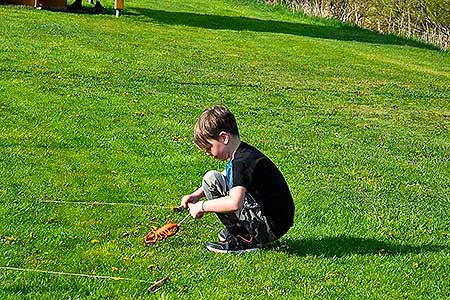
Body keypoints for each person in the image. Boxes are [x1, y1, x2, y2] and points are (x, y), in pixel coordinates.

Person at [180, 106, 295, 253]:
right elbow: (228, 175)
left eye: (209, 147)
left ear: (224, 138)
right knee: (211, 179)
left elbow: (234, 203)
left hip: (269, 227)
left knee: (215, 182)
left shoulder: (241, 162)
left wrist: (202, 206)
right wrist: (196, 195)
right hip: (276, 222)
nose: (208, 153)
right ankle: (245, 233)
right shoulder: (243, 153)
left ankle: (245, 239)